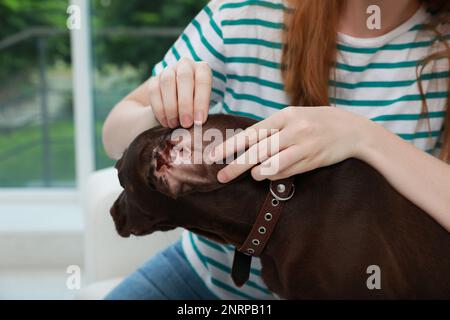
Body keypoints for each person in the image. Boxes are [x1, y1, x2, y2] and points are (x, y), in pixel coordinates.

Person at [102, 0, 450, 300]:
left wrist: (364, 137)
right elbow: (113, 135)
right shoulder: (244, 13)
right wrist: (158, 115)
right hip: (203, 280)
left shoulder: (442, 47)